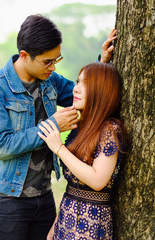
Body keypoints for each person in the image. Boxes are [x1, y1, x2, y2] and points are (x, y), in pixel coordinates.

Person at [0, 14, 116, 240]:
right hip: (7, 201)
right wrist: (53, 125)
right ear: (24, 55)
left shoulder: (50, 80)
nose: (52, 67)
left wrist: (103, 66)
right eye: (47, 61)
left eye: (56, 60)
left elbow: (85, 95)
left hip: (44, 196)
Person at [37, 62, 128, 240]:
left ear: (101, 91)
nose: (76, 89)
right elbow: (74, 187)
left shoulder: (109, 129)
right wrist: (55, 227)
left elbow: (97, 180)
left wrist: (59, 148)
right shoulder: (82, 127)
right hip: (67, 216)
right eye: (78, 82)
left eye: (85, 84)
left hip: (91, 224)